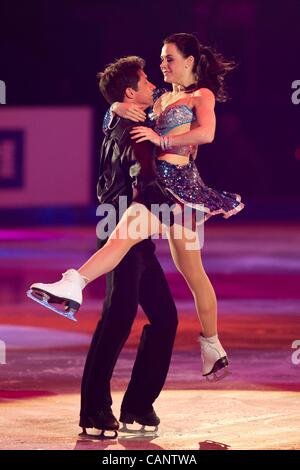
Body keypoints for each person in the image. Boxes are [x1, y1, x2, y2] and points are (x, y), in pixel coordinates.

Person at [28, 33, 244, 382]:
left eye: (169, 59)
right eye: (161, 59)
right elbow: (119, 113)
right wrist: (114, 107)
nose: (162, 65)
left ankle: (75, 283)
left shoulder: (199, 95)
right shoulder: (159, 97)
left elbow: (207, 134)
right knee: (147, 249)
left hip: (179, 189)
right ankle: (212, 346)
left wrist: (164, 140)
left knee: (182, 268)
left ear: (189, 62)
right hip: (161, 189)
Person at [78, 57, 178, 436]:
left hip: (132, 237)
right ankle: (94, 411)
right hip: (124, 235)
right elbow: (144, 176)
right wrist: (182, 203)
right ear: (130, 92)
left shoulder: (118, 118)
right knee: (117, 321)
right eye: (146, 81)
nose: (153, 85)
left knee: (165, 319)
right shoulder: (132, 128)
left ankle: (137, 404)